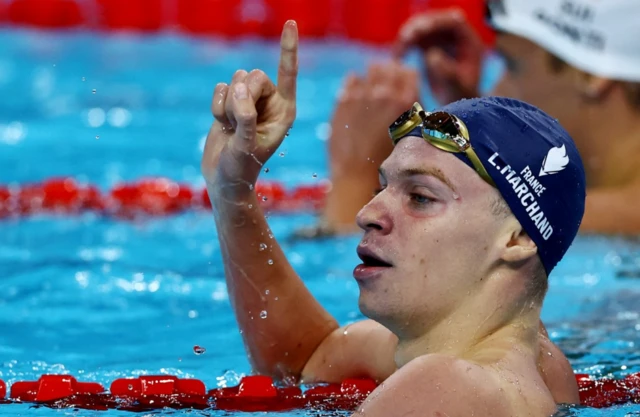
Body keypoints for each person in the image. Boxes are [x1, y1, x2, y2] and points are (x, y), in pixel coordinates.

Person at [201, 20, 586, 415]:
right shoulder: (541, 366)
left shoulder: (446, 387)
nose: (367, 214)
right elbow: (309, 359)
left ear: (516, 239)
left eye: (420, 197)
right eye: (379, 189)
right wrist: (232, 191)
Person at [314, 0, 640, 237]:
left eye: (512, 67)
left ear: (591, 74)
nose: (497, 90)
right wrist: (467, 112)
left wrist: (354, 178)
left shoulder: (602, 220)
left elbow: (354, 308)